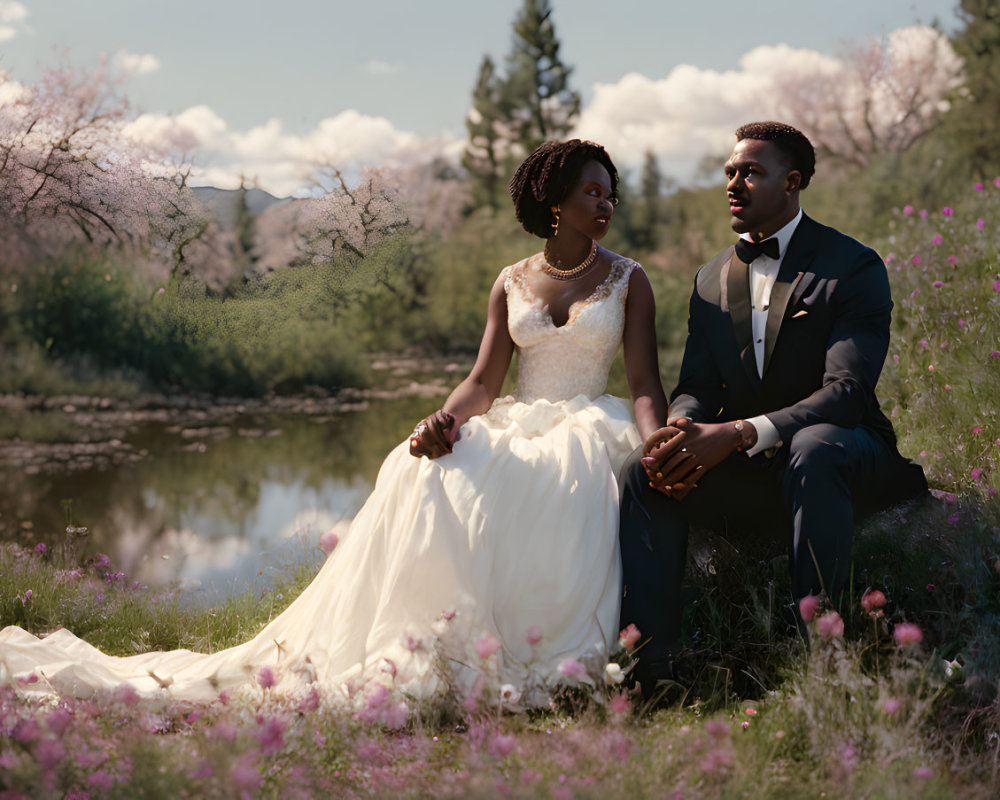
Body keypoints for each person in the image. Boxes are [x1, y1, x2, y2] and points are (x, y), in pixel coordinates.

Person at [0, 139, 668, 707]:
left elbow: (642, 384)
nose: (606, 205)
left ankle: (550, 660)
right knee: (422, 465)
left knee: (568, 481)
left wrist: (656, 439)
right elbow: (483, 383)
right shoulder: (510, 281)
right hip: (517, 418)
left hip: (587, 422)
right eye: (592, 192)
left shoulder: (629, 280)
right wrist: (441, 419)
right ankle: (438, 645)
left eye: (612, 195)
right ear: (556, 200)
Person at [617, 121, 927, 695]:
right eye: (730, 172)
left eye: (751, 172)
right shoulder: (710, 278)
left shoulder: (852, 265)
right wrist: (682, 424)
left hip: (845, 456)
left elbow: (847, 393)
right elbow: (696, 384)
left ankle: (826, 664)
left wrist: (737, 433)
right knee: (643, 469)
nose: (734, 183)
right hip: (758, 474)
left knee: (814, 445)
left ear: (793, 181)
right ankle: (651, 671)